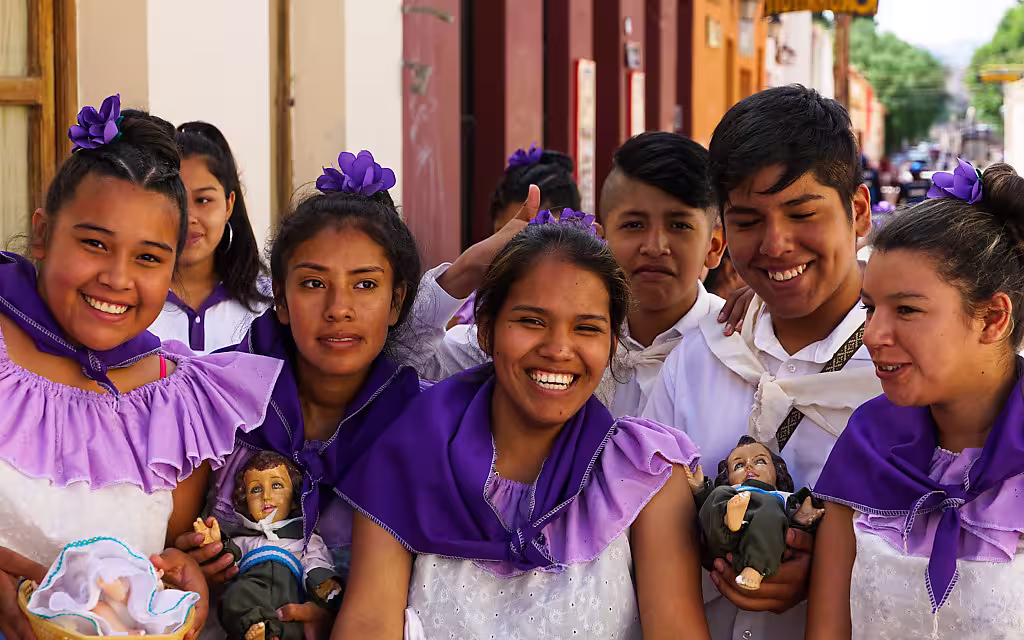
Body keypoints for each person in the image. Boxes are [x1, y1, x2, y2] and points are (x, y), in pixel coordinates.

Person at [333, 215, 711, 639]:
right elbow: (367, 624)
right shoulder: (408, 451)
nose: (559, 349)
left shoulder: (647, 475)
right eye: (532, 321)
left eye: (587, 328)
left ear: (610, 345)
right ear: (486, 329)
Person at [0, 95, 281, 639]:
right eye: (94, 243)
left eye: (149, 257)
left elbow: (167, 557)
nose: (117, 278)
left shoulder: (178, 398)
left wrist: (187, 575)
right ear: (42, 234)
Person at [642, 85, 881, 640]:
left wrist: (825, 573)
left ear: (858, 211)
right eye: (748, 221)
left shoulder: (898, 370)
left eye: (802, 213)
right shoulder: (700, 358)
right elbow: (652, 527)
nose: (775, 245)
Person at [176, 151, 429, 638]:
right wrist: (193, 557)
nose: (339, 308)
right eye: (314, 283)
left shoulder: (420, 424)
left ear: (396, 301)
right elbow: (167, 544)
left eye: (365, 285)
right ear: (281, 298)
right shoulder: (214, 396)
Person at [808, 161, 1024, 639]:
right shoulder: (867, 444)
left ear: (992, 317)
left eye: (906, 309)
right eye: (869, 308)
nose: (872, 335)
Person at [412, 132, 727, 419]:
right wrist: (464, 271)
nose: (655, 247)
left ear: (714, 245)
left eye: (679, 225)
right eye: (634, 225)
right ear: (602, 237)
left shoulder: (738, 348)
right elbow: (406, 366)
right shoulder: (541, 336)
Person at [147, 122, 271, 353]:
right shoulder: (130, 294)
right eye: (175, 200)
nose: (189, 217)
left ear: (228, 205)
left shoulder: (269, 302)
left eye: (203, 200)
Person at [450, 145, 580, 327]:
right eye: (506, 239)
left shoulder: (593, 302)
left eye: (532, 238)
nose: (514, 254)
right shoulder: (465, 317)